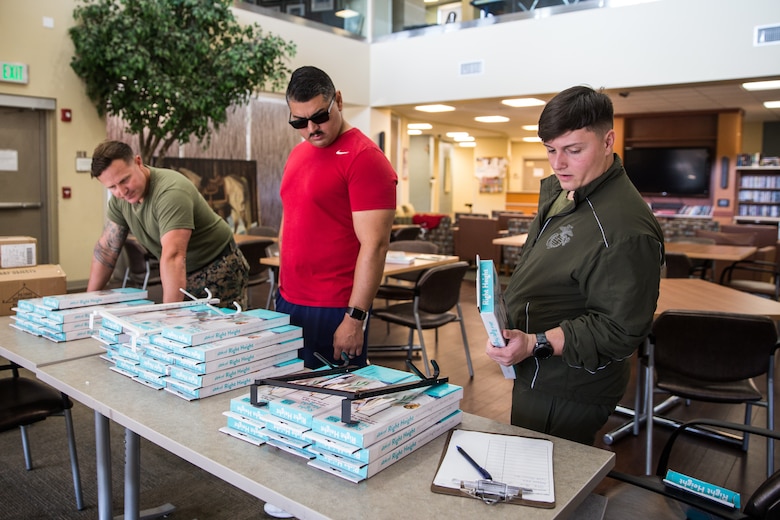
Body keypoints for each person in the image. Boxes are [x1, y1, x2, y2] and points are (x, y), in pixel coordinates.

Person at [485, 85, 665, 445]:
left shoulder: (624, 228)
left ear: (608, 141)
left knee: (546, 479)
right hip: (534, 369)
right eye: (550, 150)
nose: (558, 163)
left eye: (573, 150)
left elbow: (619, 329)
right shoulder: (567, 191)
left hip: (568, 383)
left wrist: (536, 342)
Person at [275, 65, 397, 370]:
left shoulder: (365, 158)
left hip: (334, 309)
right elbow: (289, 219)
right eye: (300, 122)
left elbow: (376, 245)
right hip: (289, 301)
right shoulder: (298, 153)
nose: (311, 129)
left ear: (338, 101)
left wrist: (354, 318)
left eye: (320, 116)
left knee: (333, 408)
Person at [86, 140, 250, 307]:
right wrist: (88, 303)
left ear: (138, 162)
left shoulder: (170, 192)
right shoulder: (119, 200)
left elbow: (173, 257)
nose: (121, 191)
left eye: (125, 180)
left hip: (217, 265)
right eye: (112, 187)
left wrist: (168, 316)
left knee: (219, 329)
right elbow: (106, 249)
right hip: (181, 273)